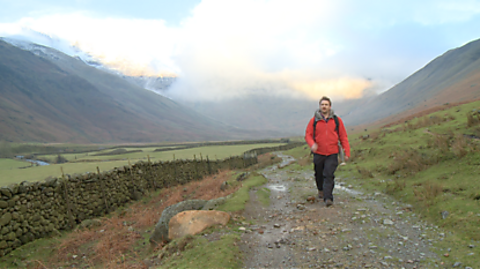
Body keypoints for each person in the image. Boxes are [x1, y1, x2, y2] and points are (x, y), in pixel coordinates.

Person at [305, 96, 350, 207]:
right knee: (318, 174)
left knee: (329, 174)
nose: (324, 106)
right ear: (319, 107)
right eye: (322, 104)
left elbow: (343, 136)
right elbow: (308, 135)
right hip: (318, 153)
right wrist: (312, 144)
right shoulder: (314, 121)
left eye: (326, 104)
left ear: (330, 107)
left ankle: (328, 197)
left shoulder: (336, 120)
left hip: (332, 152)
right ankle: (320, 190)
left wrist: (346, 152)